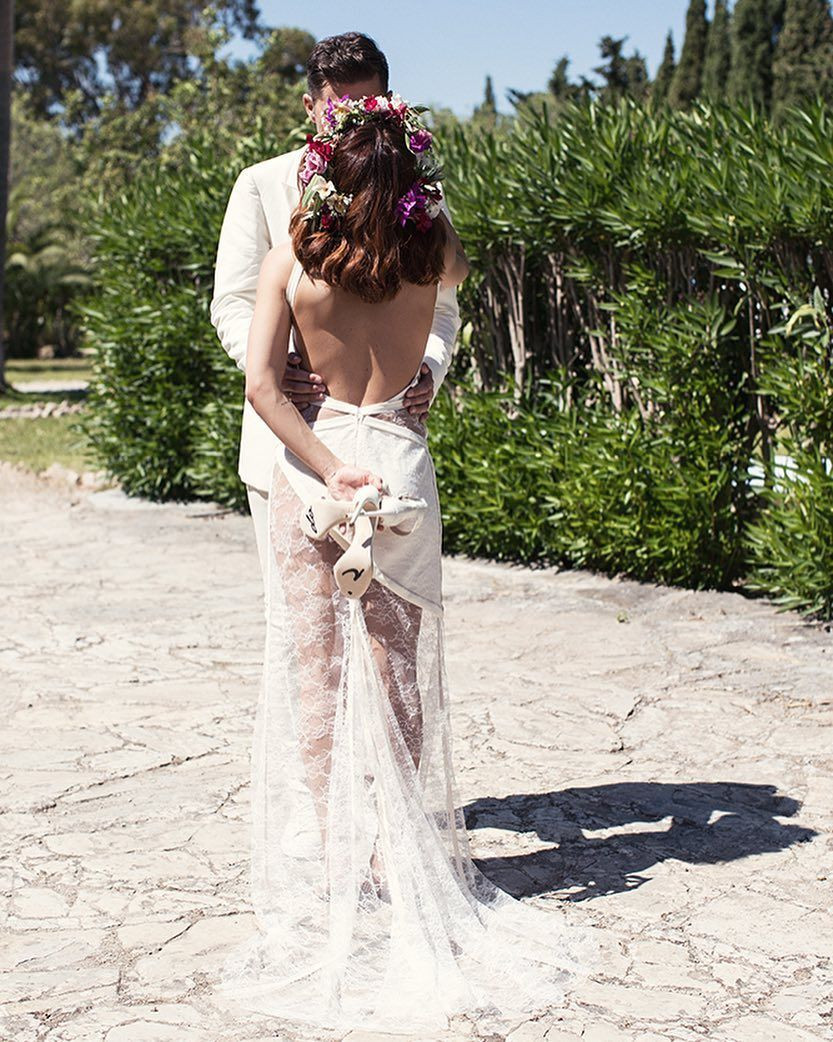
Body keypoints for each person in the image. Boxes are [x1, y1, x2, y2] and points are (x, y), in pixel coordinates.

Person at [211, 84, 600, 1035]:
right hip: (404, 468)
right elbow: (438, 326)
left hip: (321, 473)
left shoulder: (289, 266)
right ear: (412, 180)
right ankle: (399, 854)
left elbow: (265, 390)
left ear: (323, 172)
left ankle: (339, 854)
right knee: (400, 667)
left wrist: (329, 469)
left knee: (314, 662)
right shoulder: (437, 257)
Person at [209, 32, 461, 605]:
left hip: (389, 445)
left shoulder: (419, 197)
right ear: (309, 107)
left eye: (366, 107)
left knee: (394, 632)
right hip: (288, 440)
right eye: (338, 109)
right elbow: (233, 301)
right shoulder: (261, 183)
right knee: (305, 641)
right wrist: (277, 363)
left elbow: (444, 304)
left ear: (390, 104)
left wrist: (428, 368)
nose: (351, 122)